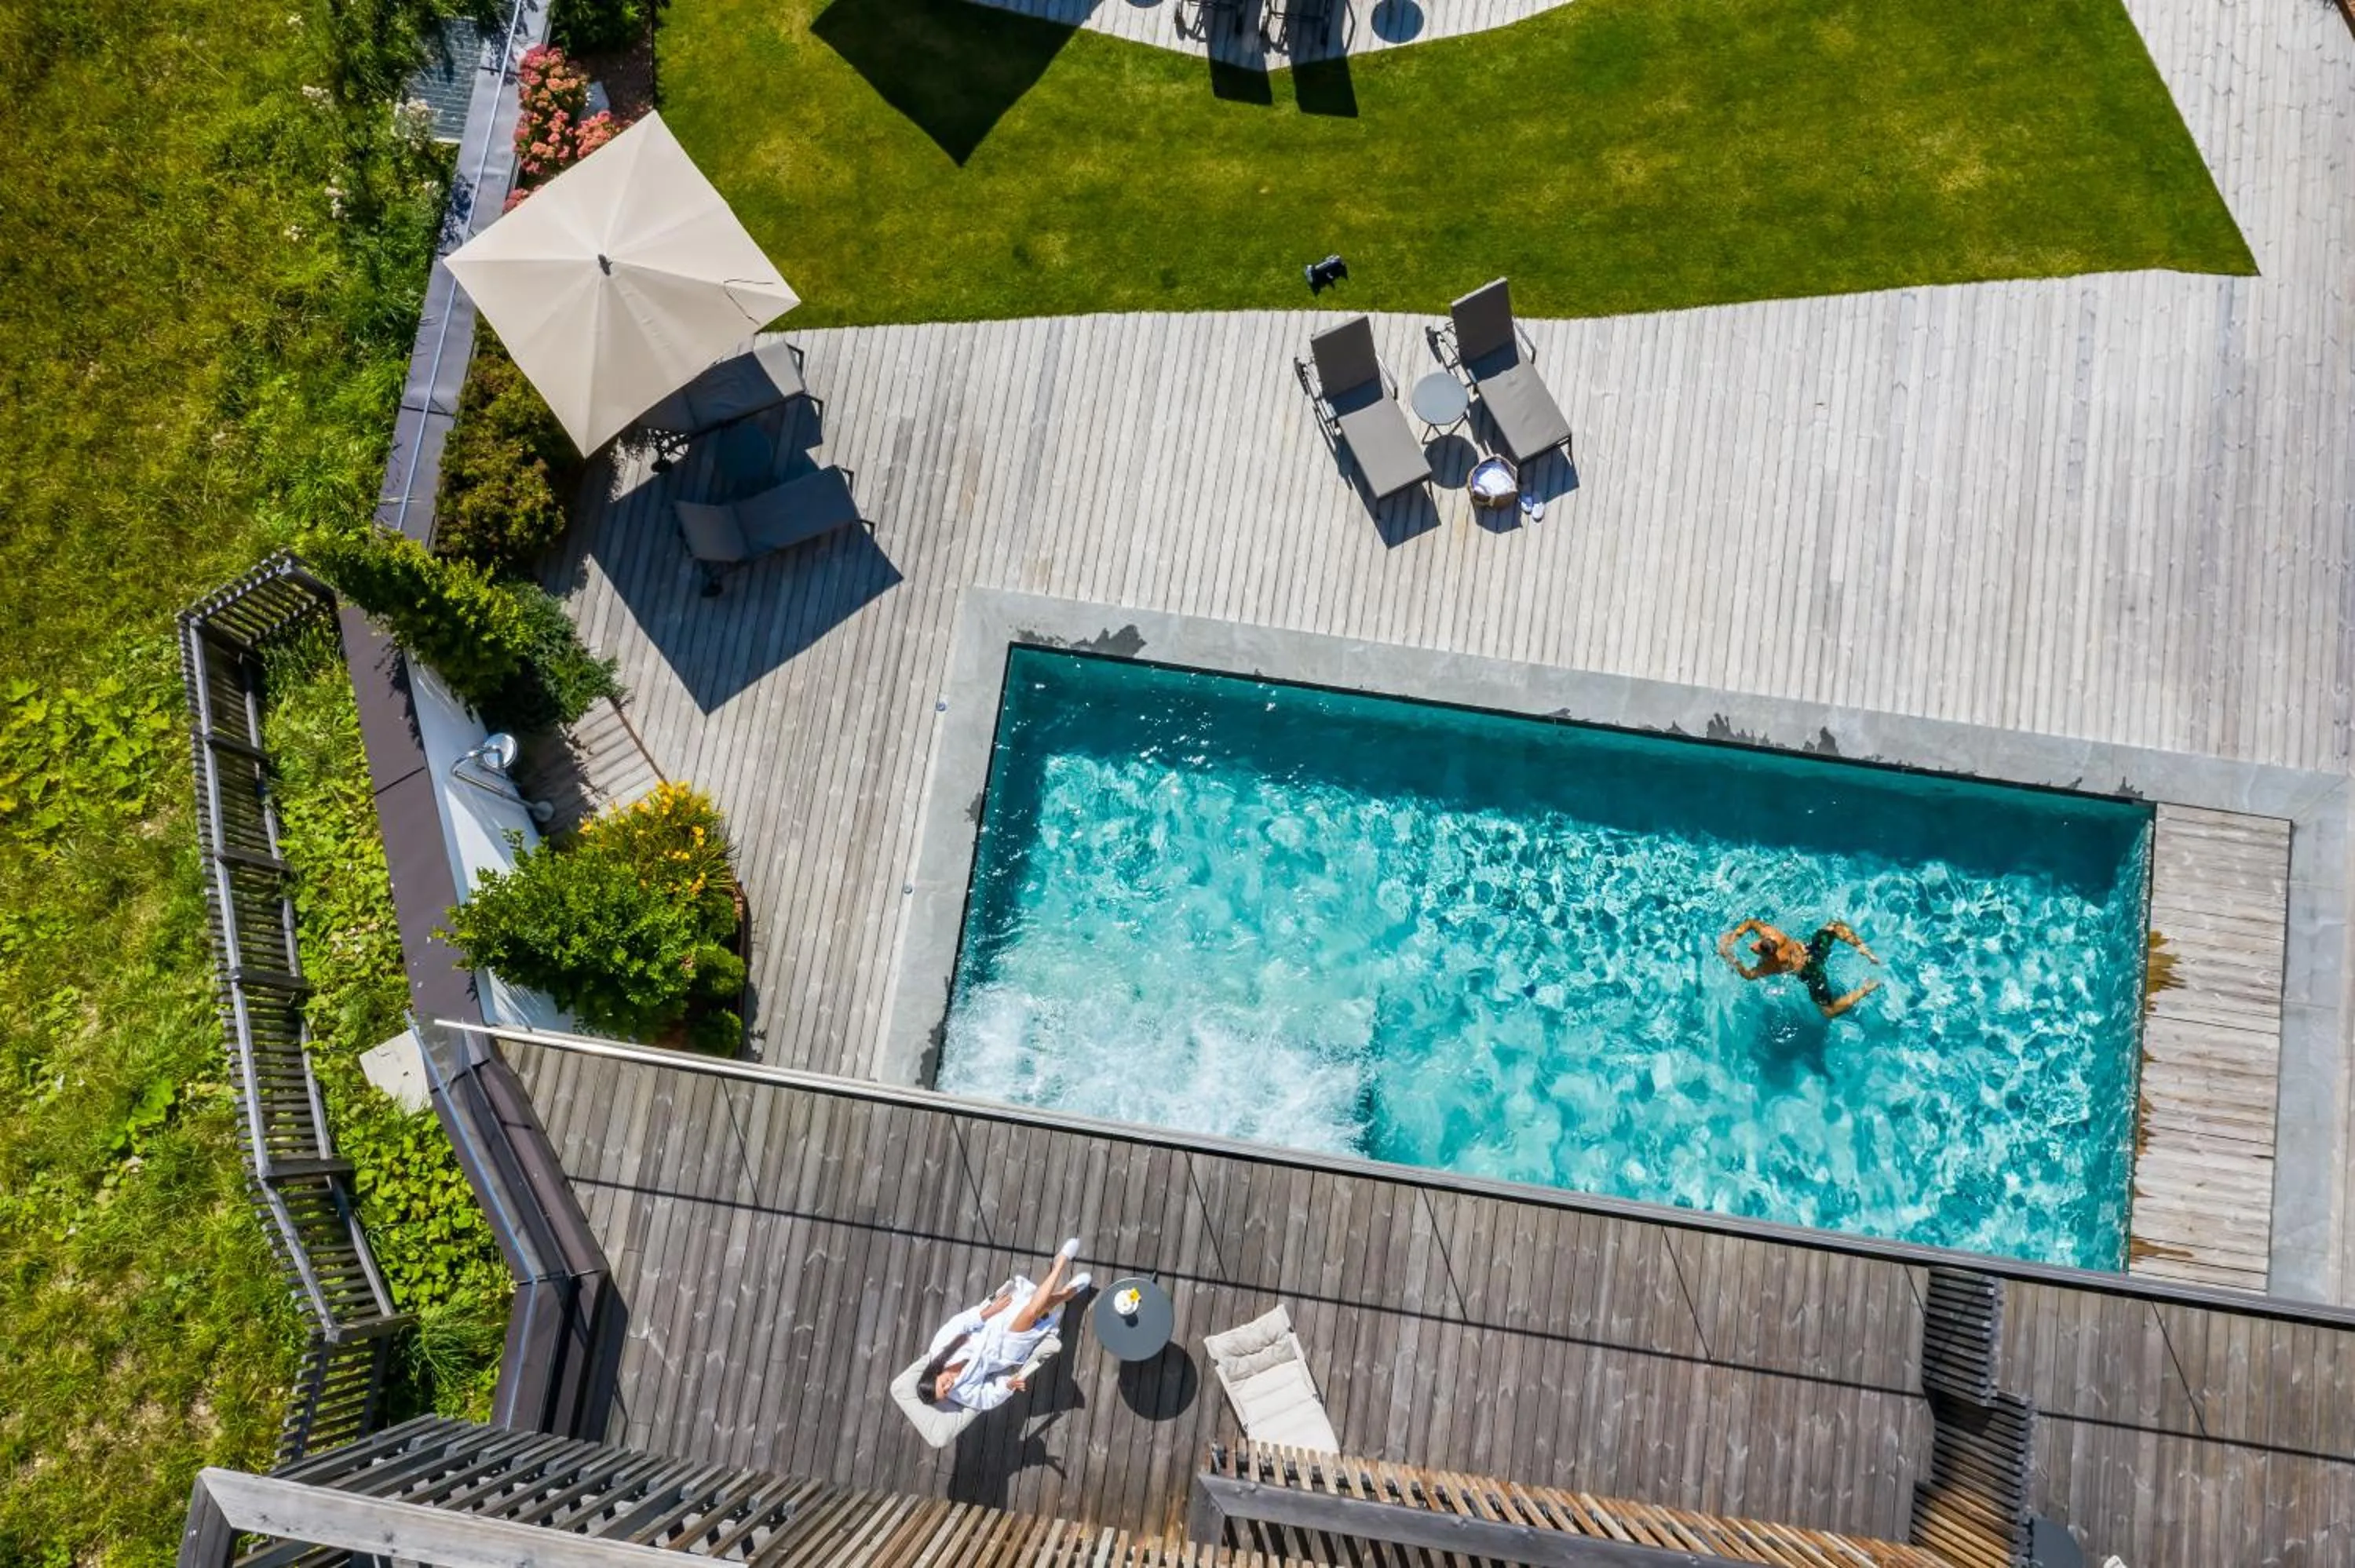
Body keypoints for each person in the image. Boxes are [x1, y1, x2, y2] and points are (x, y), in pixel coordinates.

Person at [919, 1239, 1093, 1413]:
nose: (950, 1386)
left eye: (943, 1384)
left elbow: (961, 1322)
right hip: (1004, 1352)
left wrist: (989, 1312)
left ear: (935, 1374)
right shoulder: (961, 1393)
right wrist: (1008, 1386)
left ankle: (1065, 1294)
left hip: (990, 1327)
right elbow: (988, 1399)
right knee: (1032, 1312)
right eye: (947, 1392)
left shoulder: (939, 1348)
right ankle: (1061, 1263)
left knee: (1035, 1308)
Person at [1719, 917, 1883, 1019]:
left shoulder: (1772, 965)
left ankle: (1867, 988)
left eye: (1756, 949)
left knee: (1829, 1011)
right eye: (1756, 944)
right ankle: (1864, 949)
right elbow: (1751, 922)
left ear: (1769, 956)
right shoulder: (1775, 935)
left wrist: (1729, 956)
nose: (1751, 946)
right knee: (1834, 925)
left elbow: (1748, 975)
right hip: (1811, 949)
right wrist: (1734, 936)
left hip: (1811, 971)